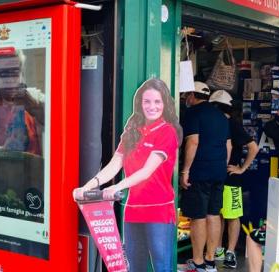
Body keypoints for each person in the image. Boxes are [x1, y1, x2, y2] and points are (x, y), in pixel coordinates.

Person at [73, 78, 182, 272]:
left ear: (165, 104)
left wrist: (116, 187)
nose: (152, 106)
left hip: (159, 212)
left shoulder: (167, 132)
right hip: (133, 211)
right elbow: (114, 164)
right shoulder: (132, 130)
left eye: (157, 102)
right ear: (140, 103)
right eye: (147, 101)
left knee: (161, 267)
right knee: (133, 267)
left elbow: (147, 171)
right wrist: (88, 186)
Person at [180, 81, 231, 272]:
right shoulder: (221, 116)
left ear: (193, 96)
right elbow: (228, 146)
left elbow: (193, 142)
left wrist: (185, 170)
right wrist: (221, 166)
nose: (186, 99)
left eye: (187, 95)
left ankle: (198, 261)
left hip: (200, 171)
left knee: (198, 216)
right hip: (218, 171)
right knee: (213, 213)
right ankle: (211, 261)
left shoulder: (193, 113)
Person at [209, 90, 258, 269]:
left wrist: (241, 168)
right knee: (219, 214)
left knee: (232, 215)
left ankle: (230, 251)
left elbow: (253, 147)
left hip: (231, 177)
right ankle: (220, 249)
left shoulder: (232, 124)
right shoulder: (220, 122)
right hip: (217, 175)